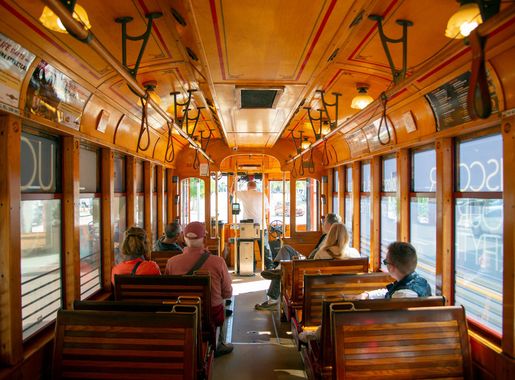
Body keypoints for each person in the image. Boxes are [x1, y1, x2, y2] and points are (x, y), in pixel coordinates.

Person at [164, 221, 233, 357]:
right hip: (210, 314)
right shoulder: (218, 262)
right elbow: (227, 293)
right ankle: (218, 343)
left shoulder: (171, 262)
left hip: (181, 312)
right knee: (222, 302)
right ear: (205, 239)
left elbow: (168, 290)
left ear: (183, 239)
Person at [255, 213, 342, 310]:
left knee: (284, 266)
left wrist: (306, 260)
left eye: (324, 221)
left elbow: (318, 258)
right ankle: (277, 268)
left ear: (329, 225)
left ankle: (274, 291)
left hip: (309, 267)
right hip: (310, 261)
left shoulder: (330, 241)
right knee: (286, 249)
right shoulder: (327, 237)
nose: (322, 224)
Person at [360, 241, 432, 299]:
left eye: (385, 262)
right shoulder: (421, 282)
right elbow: (390, 292)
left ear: (392, 267)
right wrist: (367, 295)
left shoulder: (401, 295)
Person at [234, 180, 273, 269]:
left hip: (248, 226)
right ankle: (270, 267)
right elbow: (267, 210)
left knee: (248, 247)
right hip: (261, 226)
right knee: (265, 248)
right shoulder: (263, 195)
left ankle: (252, 267)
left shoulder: (244, 194)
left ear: (247, 187)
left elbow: (233, 191)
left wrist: (235, 180)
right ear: (256, 187)